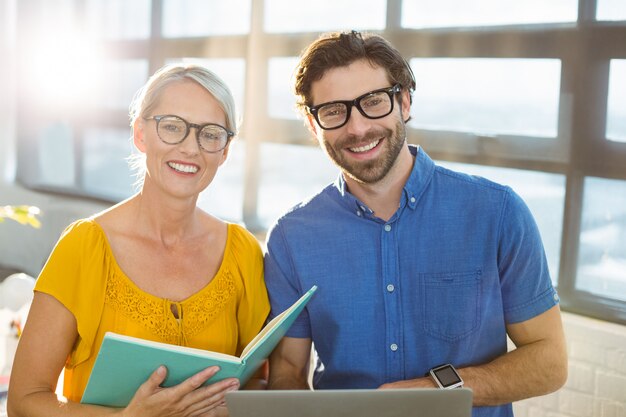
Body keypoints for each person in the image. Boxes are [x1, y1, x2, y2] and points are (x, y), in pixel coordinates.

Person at [264, 31, 568, 416]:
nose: (357, 129)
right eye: (334, 111)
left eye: (373, 102)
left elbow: (549, 362)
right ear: (312, 124)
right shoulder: (291, 238)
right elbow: (288, 369)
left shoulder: (497, 212)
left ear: (404, 102)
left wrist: (437, 390)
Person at [8, 64, 269, 417]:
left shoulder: (243, 252)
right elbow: (23, 402)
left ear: (224, 150)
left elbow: (259, 382)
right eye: (173, 127)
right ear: (140, 134)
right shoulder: (83, 247)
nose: (191, 148)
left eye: (210, 134)